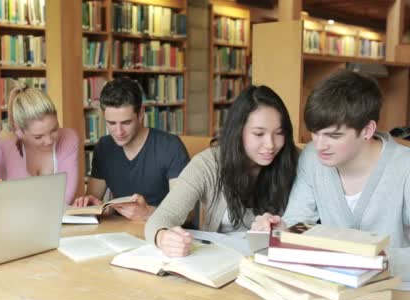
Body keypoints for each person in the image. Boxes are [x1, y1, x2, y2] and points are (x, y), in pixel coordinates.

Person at [251, 70, 410, 281]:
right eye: (315, 133)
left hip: (393, 289)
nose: (319, 145)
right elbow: (299, 219)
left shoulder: (404, 167)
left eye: (334, 136)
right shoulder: (311, 157)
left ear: (367, 130)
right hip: (331, 285)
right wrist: (283, 229)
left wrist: (368, 259)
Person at [145, 85, 298, 257]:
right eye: (258, 134)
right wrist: (163, 237)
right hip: (218, 261)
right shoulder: (208, 165)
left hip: (272, 263)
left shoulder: (295, 162)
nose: (271, 144)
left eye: (279, 133)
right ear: (238, 131)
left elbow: (309, 225)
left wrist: (283, 230)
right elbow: (160, 219)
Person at [73, 77, 190, 221]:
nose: (118, 132)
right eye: (111, 123)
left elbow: (186, 213)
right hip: (120, 234)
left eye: (126, 122)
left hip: (164, 233)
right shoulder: (104, 147)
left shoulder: (171, 147)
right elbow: (94, 201)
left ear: (141, 114)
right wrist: (90, 205)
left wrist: (147, 213)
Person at [0, 83, 79, 204]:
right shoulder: (2, 147)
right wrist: (9, 148)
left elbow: (64, 200)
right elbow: (19, 198)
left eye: (54, 130)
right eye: (38, 137)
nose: (49, 141)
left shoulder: (68, 138)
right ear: (19, 129)